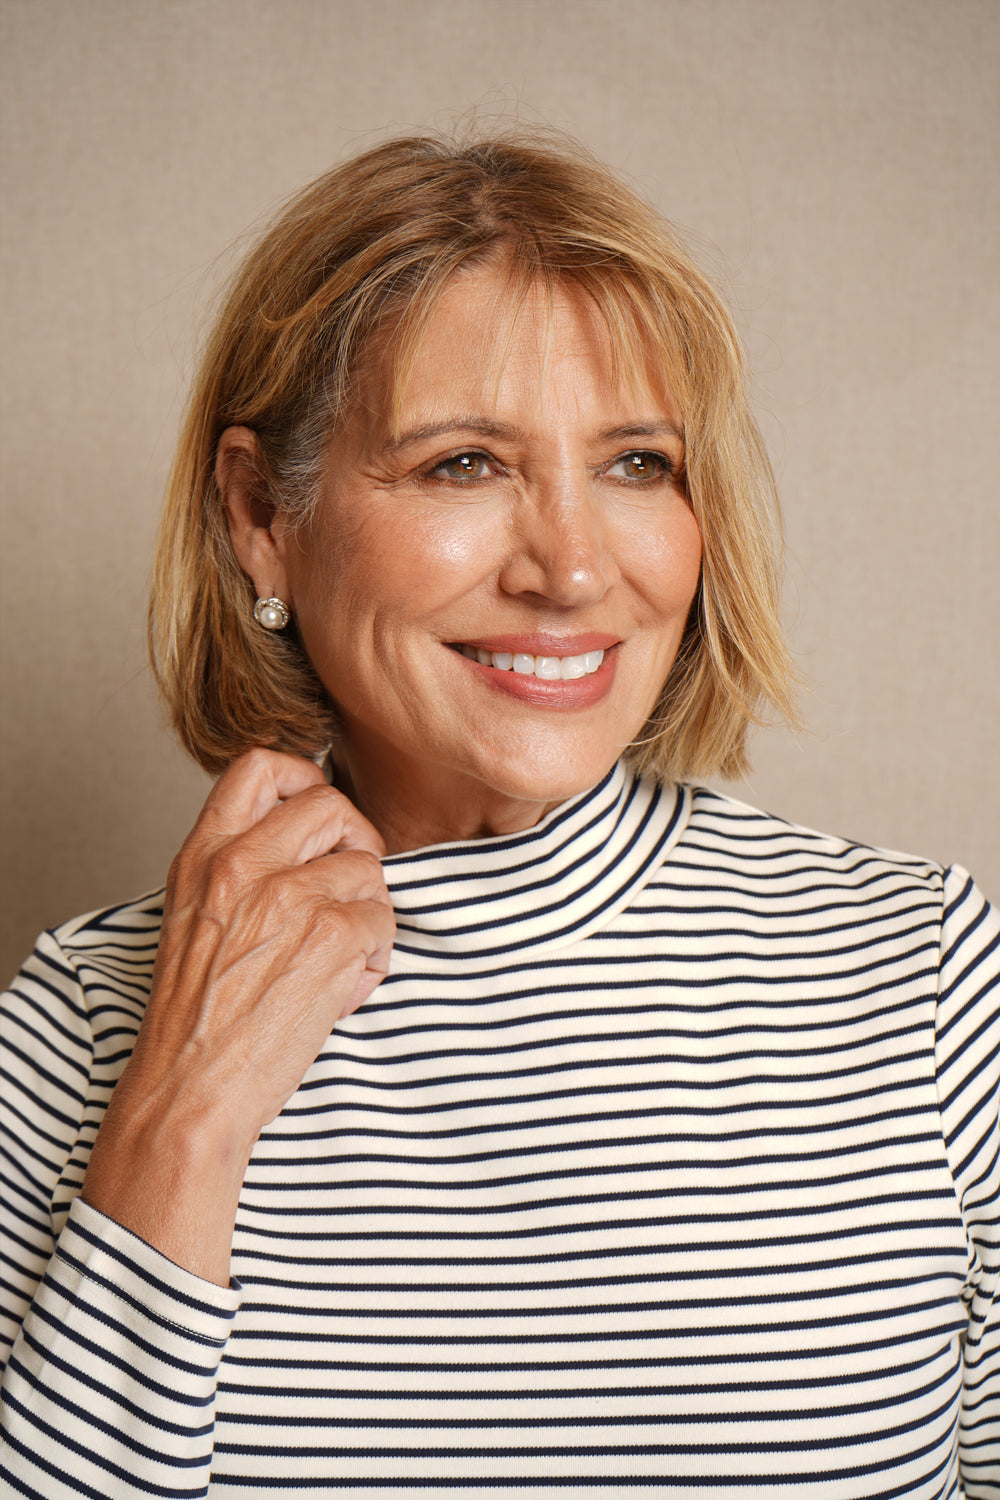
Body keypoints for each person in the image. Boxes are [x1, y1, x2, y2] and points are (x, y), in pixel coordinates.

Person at [1, 131, 996, 1499]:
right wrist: (185, 1115)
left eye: (638, 464)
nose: (575, 565)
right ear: (259, 514)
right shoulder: (85, 1017)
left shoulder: (927, 974)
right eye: (466, 463)